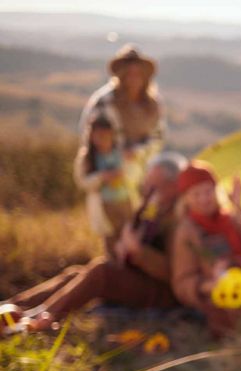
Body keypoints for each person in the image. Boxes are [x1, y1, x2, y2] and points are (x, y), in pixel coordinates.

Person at [0, 152, 187, 333]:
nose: (146, 187)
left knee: (101, 271)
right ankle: (13, 305)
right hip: (141, 278)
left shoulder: (179, 220)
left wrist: (139, 252)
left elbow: (175, 274)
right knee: (76, 273)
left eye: (153, 184)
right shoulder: (152, 211)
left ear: (173, 186)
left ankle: (41, 318)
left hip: (161, 292)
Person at [170, 162, 241, 337]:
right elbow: (182, 284)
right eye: (196, 194)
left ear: (216, 191)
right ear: (186, 198)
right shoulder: (187, 232)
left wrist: (239, 210)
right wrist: (212, 285)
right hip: (224, 300)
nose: (204, 199)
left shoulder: (231, 218)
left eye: (208, 191)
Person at [79, 44, 165, 206]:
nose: (134, 78)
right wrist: (116, 155)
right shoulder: (104, 101)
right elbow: (88, 135)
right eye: (129, 74)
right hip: (108, 172)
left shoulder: (153, 103)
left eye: (138, 74)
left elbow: (158, 137)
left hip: (142, 171)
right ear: (121, 75)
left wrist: (139, 152)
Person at [74, 112, 132, 255]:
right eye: (99, 136)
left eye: (106, 135)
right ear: (91, 136)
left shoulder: (120, 153)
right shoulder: (87, 157)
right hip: (104, 206)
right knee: (110, 243)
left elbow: (132, 176)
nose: (103, 140)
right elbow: (81, 182)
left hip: (124, 202)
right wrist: (101, 177)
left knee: (128, 238)